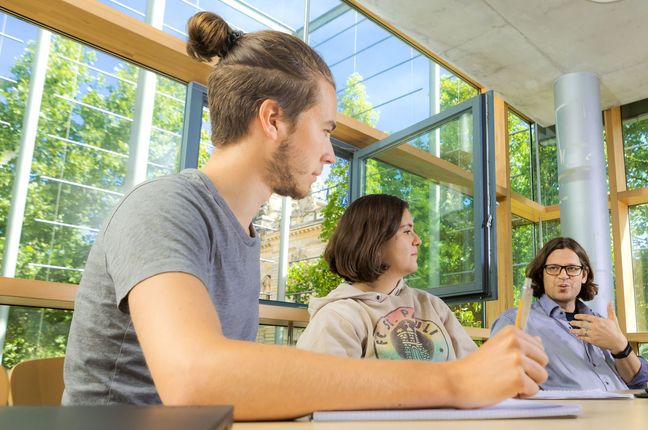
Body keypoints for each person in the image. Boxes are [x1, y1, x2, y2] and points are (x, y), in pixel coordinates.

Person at [62, 11, 548, 420]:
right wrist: (451, 380)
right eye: (325, 129)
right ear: (273, 119)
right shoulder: (164, 207)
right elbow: (196, 379)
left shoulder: (243, 234)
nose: (331, 154)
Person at [296, 194, 477, 360]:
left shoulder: (432, 305)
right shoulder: (337, 318)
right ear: (374, 241)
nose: (418, 240)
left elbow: (476, 372)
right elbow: (323, 390)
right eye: (407, 231)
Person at [490, 236, 648, 391]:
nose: (563, 276)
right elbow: (497, 384)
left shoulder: (599, 323)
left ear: (584, 275)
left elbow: (638, 383)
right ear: (541, 275)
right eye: (553, 268)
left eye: (572, 268)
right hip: (567, 416)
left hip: (624, 411)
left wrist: (620, 346)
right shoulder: (514, 322)